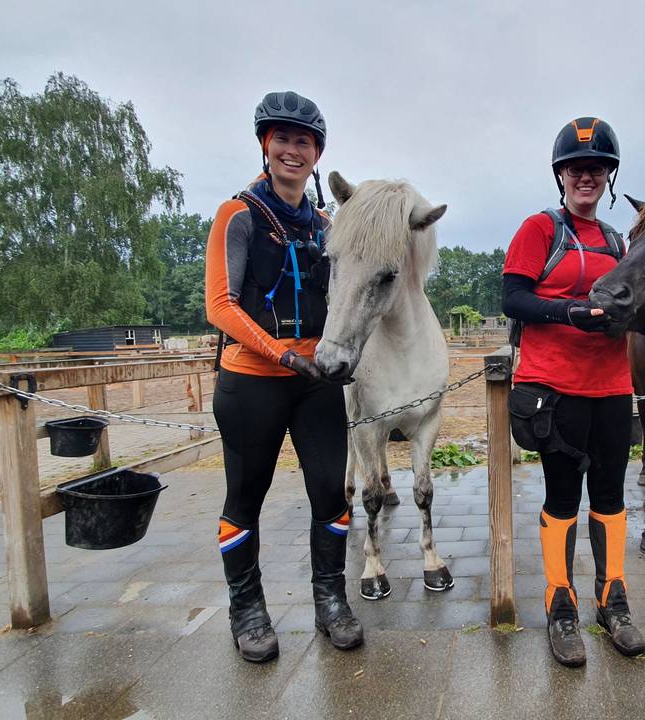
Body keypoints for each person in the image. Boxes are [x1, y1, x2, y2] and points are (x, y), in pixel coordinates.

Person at [501, 117, 645, 667]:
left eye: (596, 168)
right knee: (562, 498)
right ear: (561, 176)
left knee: (609, 497)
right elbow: (514, 298)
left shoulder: (617, 240)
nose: (587, 177)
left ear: (608, 176)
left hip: (610, 387)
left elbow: (621, 312)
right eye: (577, 168)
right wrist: (569, 311)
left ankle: (613, 601)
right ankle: (560, 606)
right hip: (554, 387)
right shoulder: (540, 229)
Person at [205, 91, 362, 662]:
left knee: (331, 493)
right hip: (251, 380)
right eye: (283, 139)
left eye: (304, 141)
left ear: (317, 153)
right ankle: (247, 611)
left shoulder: (325, 225)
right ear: (264, 145)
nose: (293, 150)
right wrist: (282, 354)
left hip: (315, 380)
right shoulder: (238, 215)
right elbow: (220, 305)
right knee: (245, 498)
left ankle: (331, 603)